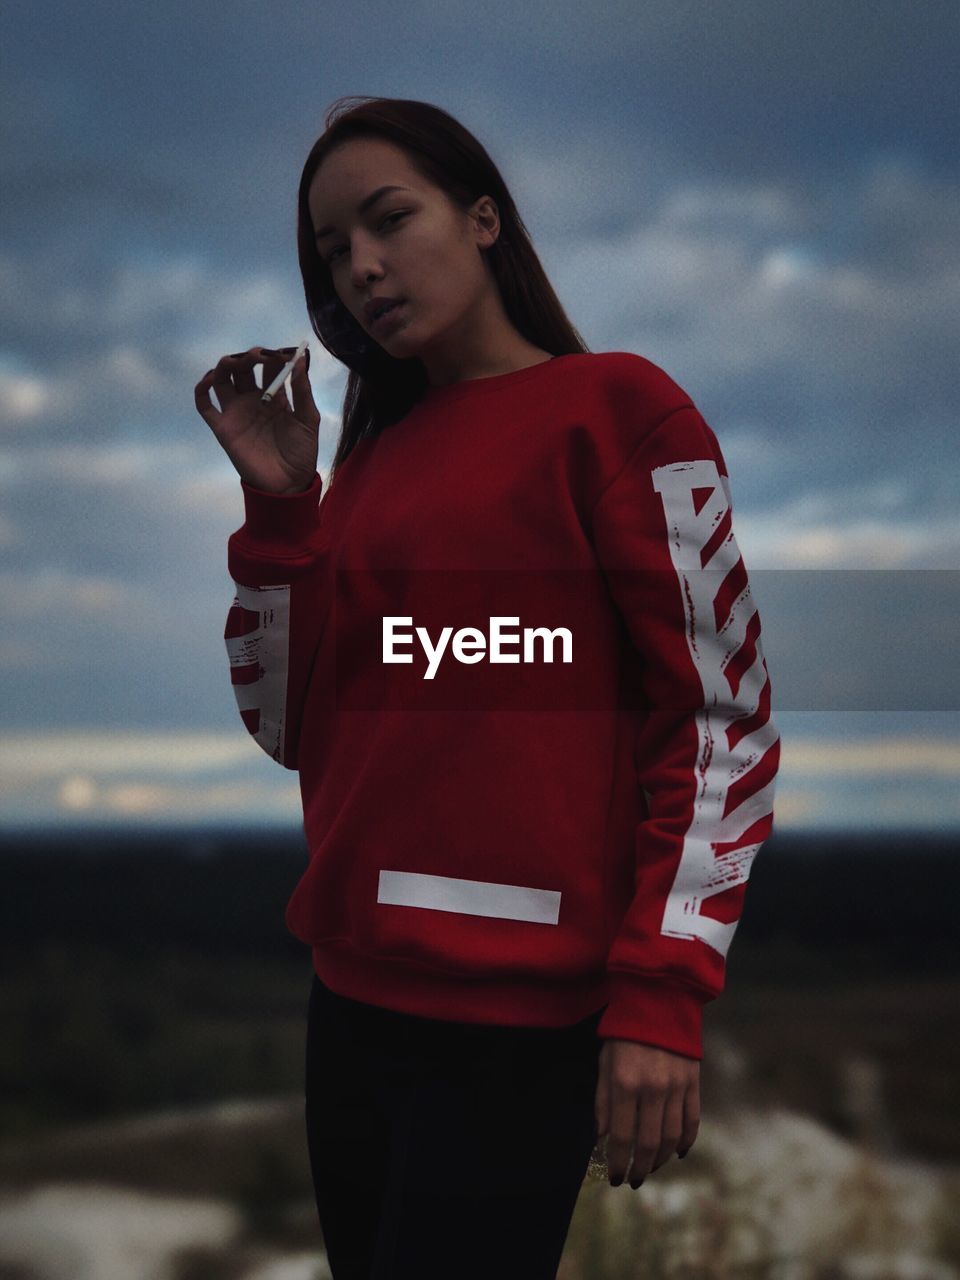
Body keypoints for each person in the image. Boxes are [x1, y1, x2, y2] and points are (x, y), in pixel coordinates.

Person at [193, 95, 781, 1280]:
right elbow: (288, 725)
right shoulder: (364, 467)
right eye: (329, 251)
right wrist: (280, 510)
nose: (361, 265)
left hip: (515, 1031)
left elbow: (719, 725)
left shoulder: (618, 413)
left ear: (483, 217)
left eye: (388, 217)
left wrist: (661, 999)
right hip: (351, 1006)